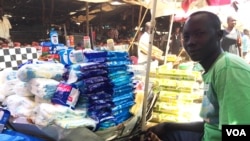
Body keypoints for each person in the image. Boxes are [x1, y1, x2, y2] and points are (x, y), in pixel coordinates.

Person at [147, 11, 250, 141]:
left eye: (199, 34)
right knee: (164, 133)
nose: (190, 42)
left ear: (219, 35)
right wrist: (169, 125)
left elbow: (241, 133)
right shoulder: (213, 68)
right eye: (186, 36)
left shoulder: (227, 69)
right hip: (206, 136)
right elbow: (210, 124)